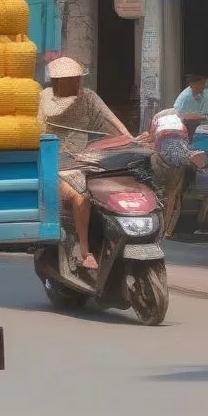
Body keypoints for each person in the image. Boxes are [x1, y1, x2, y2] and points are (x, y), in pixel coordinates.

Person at [38, 56, 131, 271]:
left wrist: (130, 138)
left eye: (79, 79)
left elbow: (110, 120)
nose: (78, 84)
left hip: (87, 163)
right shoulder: (43, 99)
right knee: (81, 198)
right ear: (59, 81)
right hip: (56, 167)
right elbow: (36, 129)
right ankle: (84, 251)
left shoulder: (88, 97)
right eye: (72, 80)